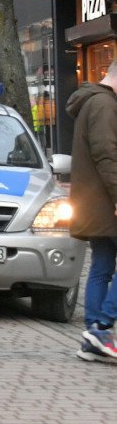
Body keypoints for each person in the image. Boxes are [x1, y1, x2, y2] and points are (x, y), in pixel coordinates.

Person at [65, 64, 117, 362]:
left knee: (102, 265)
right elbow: (107, 154)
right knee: (101, 266)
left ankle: (92, 337)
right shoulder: (104, 104)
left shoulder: (90, 101)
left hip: (96, 203)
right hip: (107, 203)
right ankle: (102, 327)